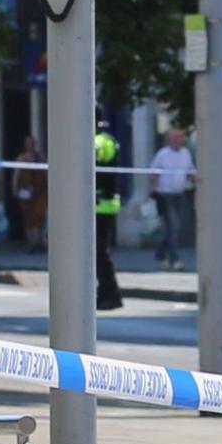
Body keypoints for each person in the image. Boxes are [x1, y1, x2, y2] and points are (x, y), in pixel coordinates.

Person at [150, 125, 196, 269]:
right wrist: (154, 191)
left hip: (179, 194)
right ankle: (175, 259)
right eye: (174, 138)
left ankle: (161, 254)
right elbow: (153, 173)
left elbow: (191, 172)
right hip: (164, 195)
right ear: (169, 139)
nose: (177, 140)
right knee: (173, 226)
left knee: (173, 228)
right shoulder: (162, 154)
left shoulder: (186, 153)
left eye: (179, 137)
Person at [92, 123, 126, 310]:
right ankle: (105, 293)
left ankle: (110, 294)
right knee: (98, 254)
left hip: (100, 205)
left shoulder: (98, 142)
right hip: (104, 203)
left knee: (99, 253)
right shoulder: (108, 140)